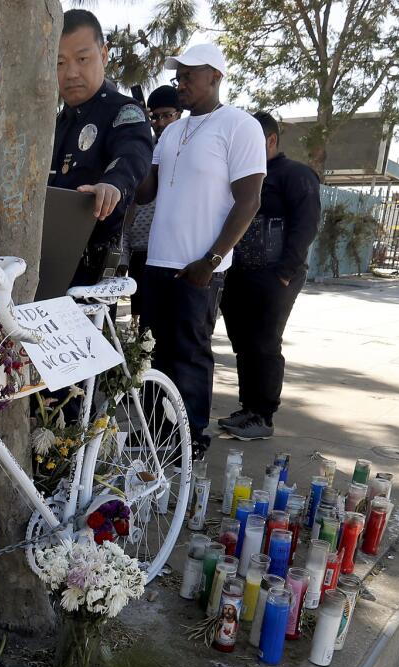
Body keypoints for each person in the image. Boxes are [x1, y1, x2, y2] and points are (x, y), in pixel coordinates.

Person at [134, 43, 265, 462]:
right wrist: (137, 141)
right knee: (152, 354)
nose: (181, 81)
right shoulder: (171, 131)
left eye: (191, 73)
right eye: (179, 74)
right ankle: (156, 436)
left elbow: (249, 201)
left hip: (199, 266)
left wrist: (211, 260)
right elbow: (145, 192)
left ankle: (189, 441)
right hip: (157, 262)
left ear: (216, 77)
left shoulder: (239, 126)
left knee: (189, 356)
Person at [219, 112, 321, 441]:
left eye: (250, 142)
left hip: (275, 277)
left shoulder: (296, 175)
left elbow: (306, 226)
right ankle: (249, 408)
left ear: (271, 140)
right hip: (239, 274)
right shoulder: (242, 176)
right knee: (244, 343)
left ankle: (263, 414)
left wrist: (285, 273)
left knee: (265, 342)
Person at [51, 9, 154, 286]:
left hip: (89, 277)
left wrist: (113, 184)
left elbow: (133, 152)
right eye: (59, 62)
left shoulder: (123, 112)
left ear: (104, 54)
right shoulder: (53, 125)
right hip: (43, 265)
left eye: (82, 59)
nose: (71, 73)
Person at [123, 84, 180, 314]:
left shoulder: (188, 150)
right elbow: (131, 202)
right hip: (141, 252)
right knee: (145, 332)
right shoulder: (144, 148)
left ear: (180, 114)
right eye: (154, 117)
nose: (161, 122)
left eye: (167, 115)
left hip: (174, 254)